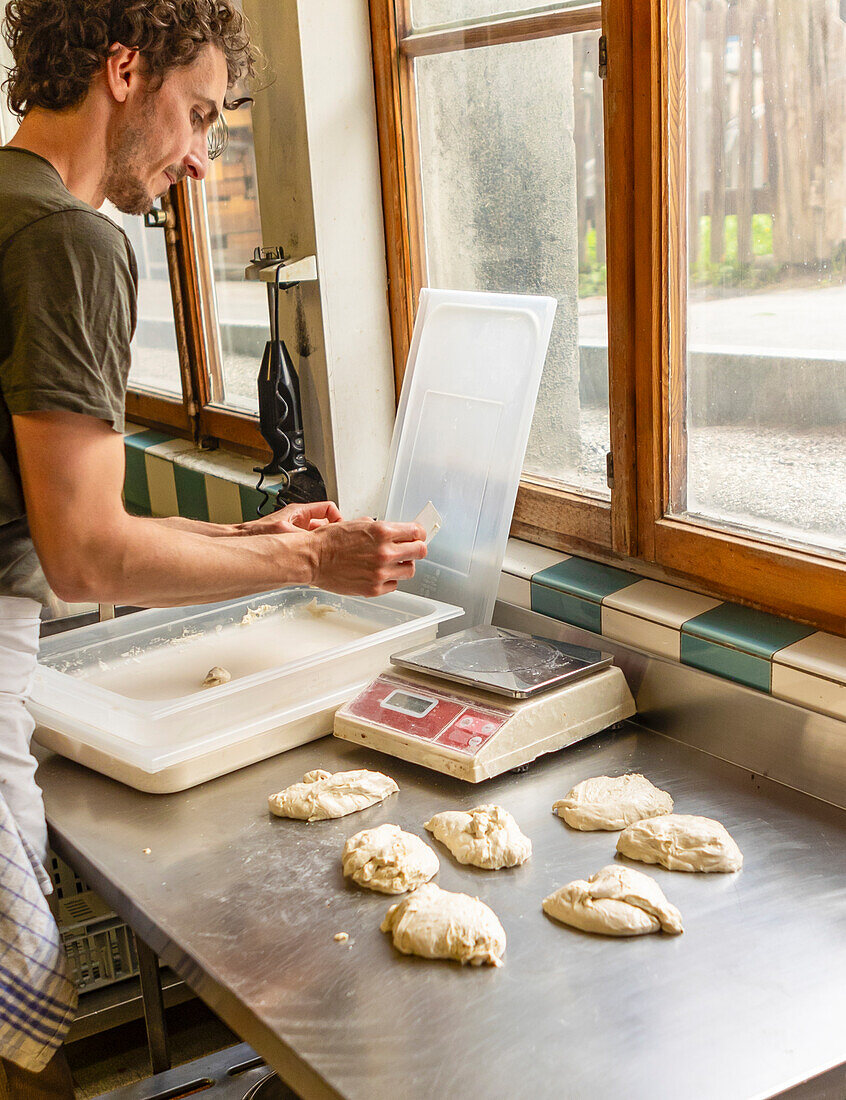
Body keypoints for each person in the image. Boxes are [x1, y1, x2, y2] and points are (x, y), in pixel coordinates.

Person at [0, 2, 425, 1093]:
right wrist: (310, 564)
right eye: (196, 116)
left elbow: (56, 521)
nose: (199, 159)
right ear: (123, 67)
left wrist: (245, 534)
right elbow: (87, 556)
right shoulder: (70, 240)